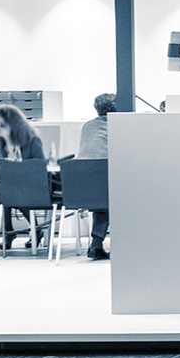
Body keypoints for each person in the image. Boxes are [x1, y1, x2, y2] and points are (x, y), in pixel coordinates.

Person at [0, 104, 46, 249]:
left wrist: (20, 163)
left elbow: (40, 166)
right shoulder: (0, 143)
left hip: (34, 184)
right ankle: (9, 231)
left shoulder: (32, 140)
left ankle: (33, 230)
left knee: (9, 192)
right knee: (1, 190)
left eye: (2, 124)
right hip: (15, 184)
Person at [78, 92, 116, 260]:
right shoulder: (116, 126)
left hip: (83, 186)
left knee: (104, 198)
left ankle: (96, 244)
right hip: (105, 186)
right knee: (115, 194)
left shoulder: (87, 126)